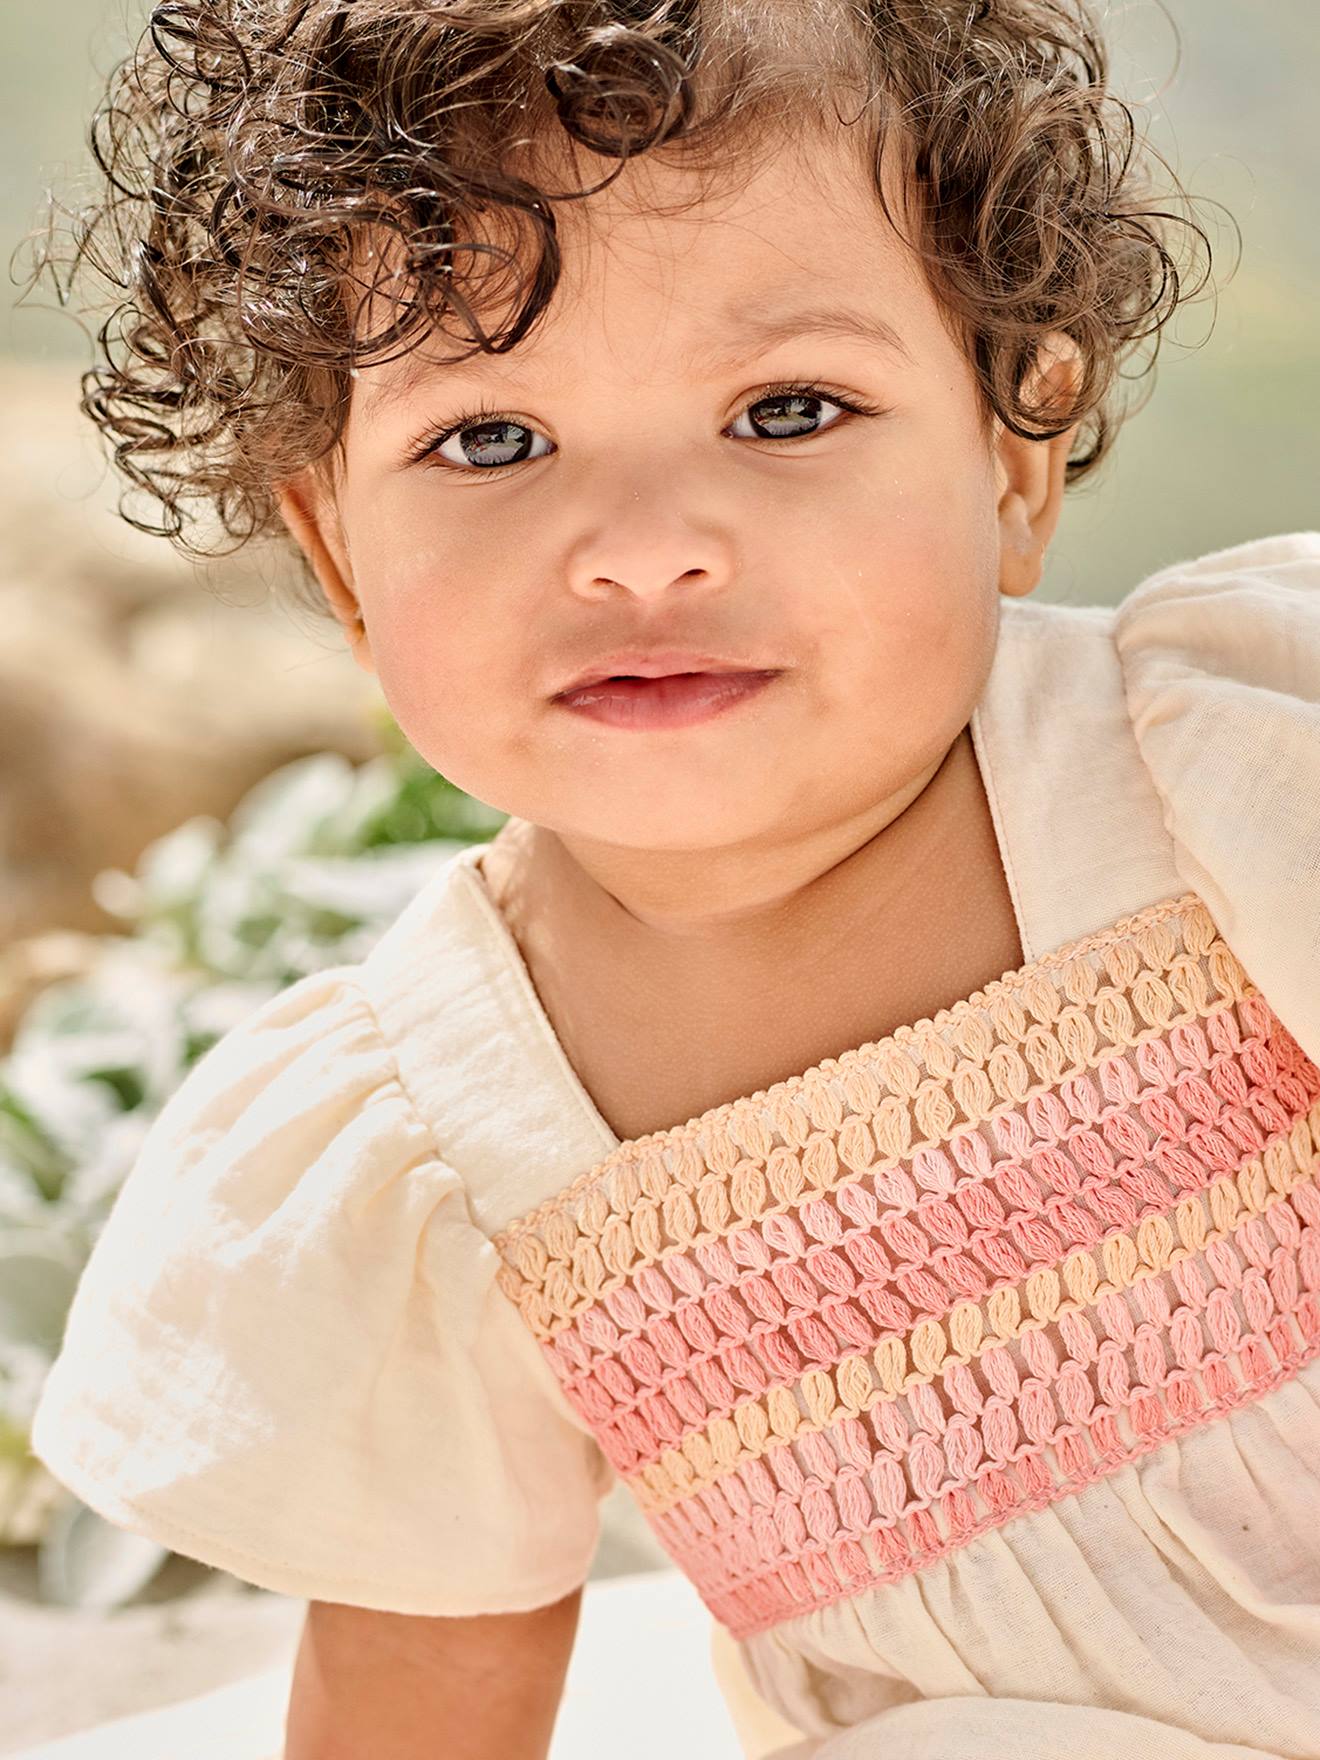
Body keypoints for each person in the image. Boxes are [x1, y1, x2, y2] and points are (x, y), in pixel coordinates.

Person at [24, 2, 1320, 1756]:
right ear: (335, 544)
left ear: (1012, 458)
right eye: (491, 440)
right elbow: (424, 1709)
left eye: (789, 411)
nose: (646, 547)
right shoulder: (435, 1144)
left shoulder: (1219, 777)